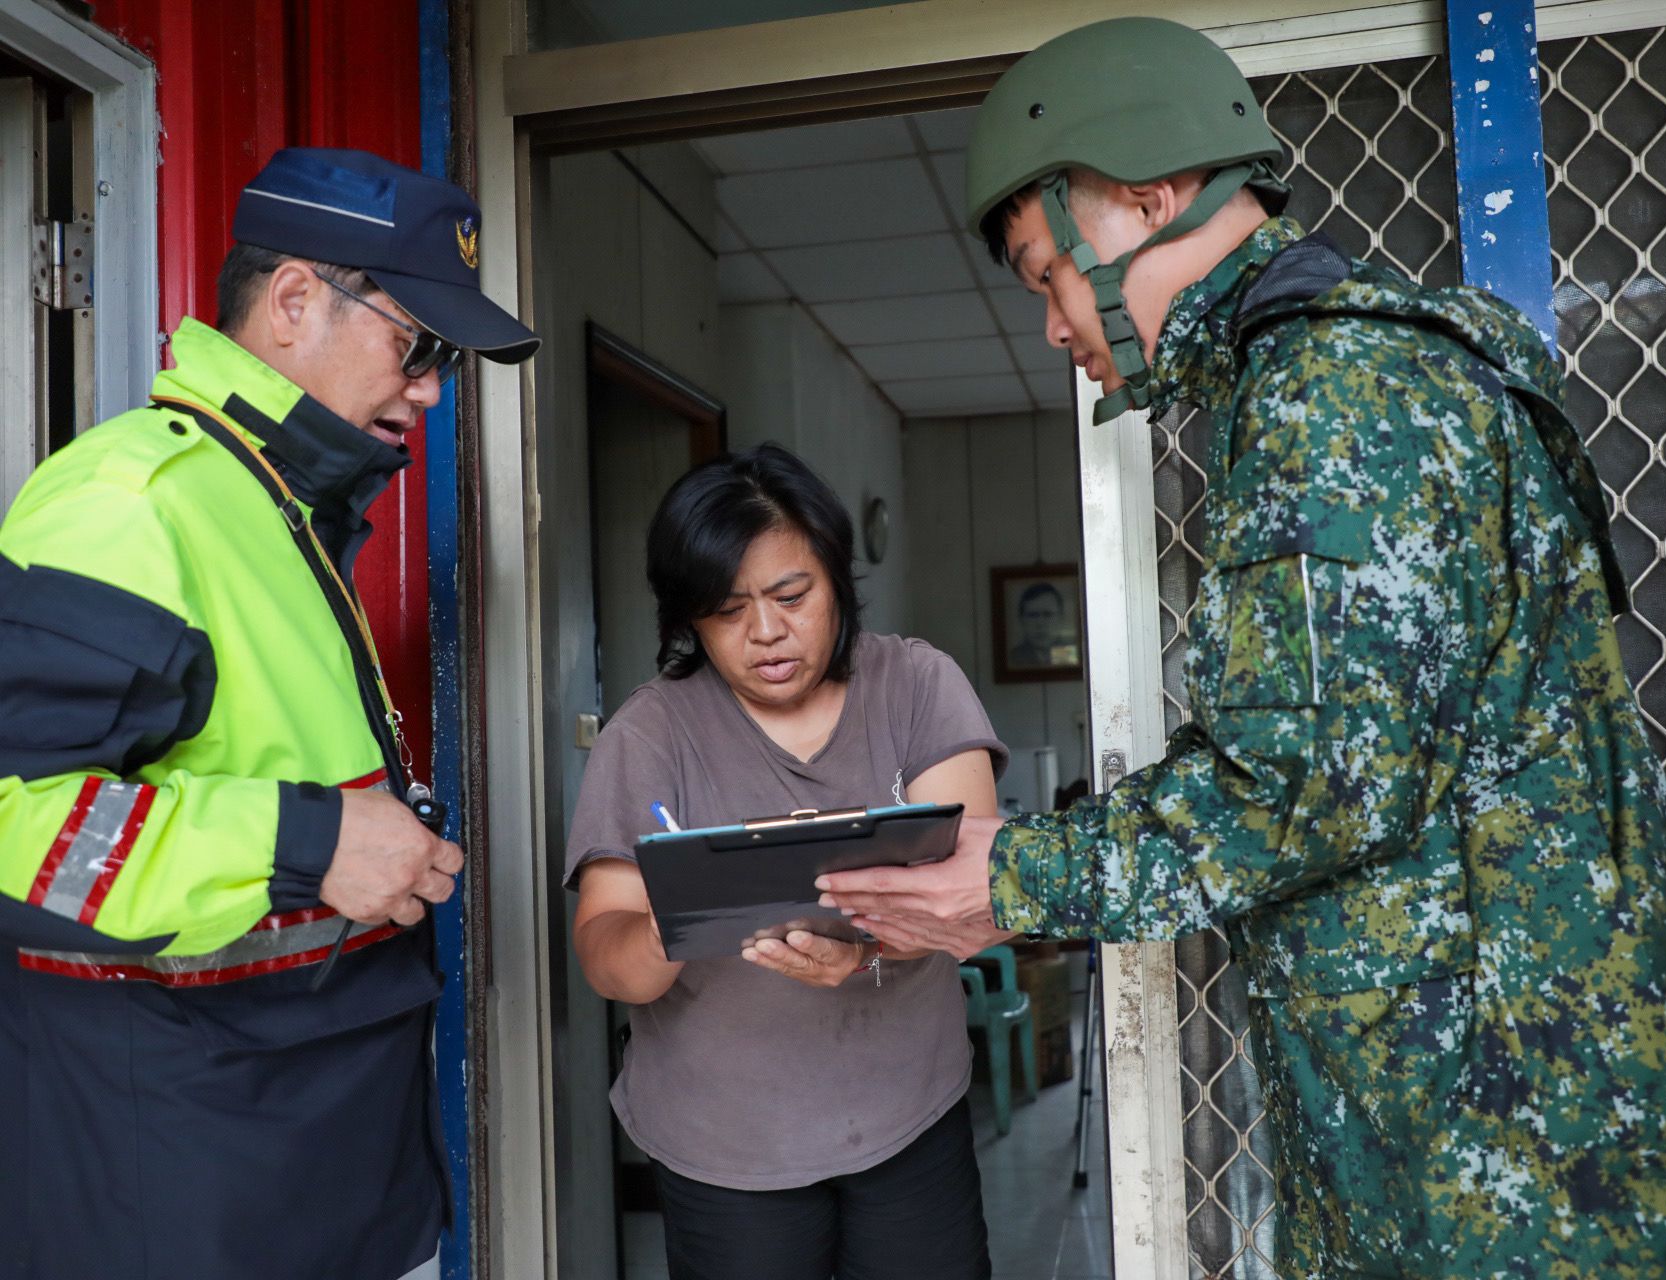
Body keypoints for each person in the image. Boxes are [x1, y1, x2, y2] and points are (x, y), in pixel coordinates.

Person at [817, 18, 1666, 1278]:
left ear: (1148, 195)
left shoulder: (1330, 390)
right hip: (1473, 1106)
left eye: (1045, 275)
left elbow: (1307, 784)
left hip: (1510, 1138)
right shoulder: (1308, 376)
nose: (1054, 325)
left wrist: (1008, 878)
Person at [0, 147, 538, 1280]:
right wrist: (312, 842)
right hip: (197, 1202)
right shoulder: (129, 501)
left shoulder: (280, 506)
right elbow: (18, 820)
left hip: (332, 1176)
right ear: (296, 301)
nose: (431, 390)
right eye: (419, 345)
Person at [566, 443, 1002, 1280]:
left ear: (836, 580)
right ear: (688, 620)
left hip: (907, 1113)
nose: (765, 632)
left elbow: (982, 906)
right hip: (721, 1141)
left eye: (791, 596)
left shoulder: (917, 687)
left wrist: (866, 946)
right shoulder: (650, 734)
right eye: (727, 611)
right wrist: (682, 912)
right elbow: (606, 958)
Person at [1008, 580, 1064, 668]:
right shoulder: (1012, 659)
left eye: (1048, 614)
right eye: (1032, 615)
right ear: (1021, 619)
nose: (1040, 624)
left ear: (1060, 618)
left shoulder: (1072, 655)